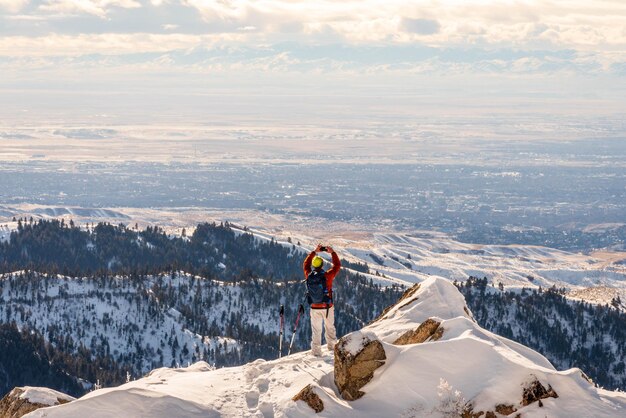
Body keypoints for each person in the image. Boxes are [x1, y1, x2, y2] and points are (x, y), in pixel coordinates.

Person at [303, 244, 341, 356]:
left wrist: (315, 251)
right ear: (322, 265)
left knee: (316, 330)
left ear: (314, 266)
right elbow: (337, 266)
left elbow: (305, 265)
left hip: (314, 307)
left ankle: (316, 352)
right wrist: (332, 252)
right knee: (330, 327)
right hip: (327, 306)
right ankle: (333, 348)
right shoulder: (327, 276)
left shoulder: (309, 275)